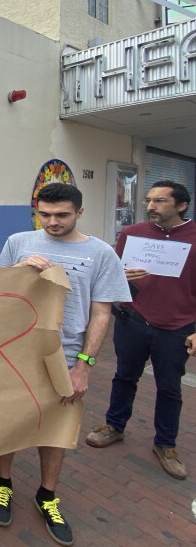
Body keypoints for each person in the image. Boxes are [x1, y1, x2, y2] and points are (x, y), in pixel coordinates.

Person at [0, 183, 130, 546]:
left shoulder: (100, 254)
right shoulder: (18, 241)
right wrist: (18, 270)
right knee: (11, 419)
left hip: (65, 355)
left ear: (79, 212)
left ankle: (47, 494)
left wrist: (84, 364)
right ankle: (2, 482)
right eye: (45, 214)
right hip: (15, 350)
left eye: (61, 215)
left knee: (56, 427)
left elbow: (101, 313)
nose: (52, 221)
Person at [85, 180, 195, 480]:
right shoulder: (133, 233)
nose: (150, 206)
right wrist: (123, 275)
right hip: (133, 320)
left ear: (181, 205)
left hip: (176, 327)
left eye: (159, 201)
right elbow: (114, 275)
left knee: (170, 387)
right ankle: (114, 426)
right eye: (148, 200)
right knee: (124, 376)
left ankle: (165, 444)